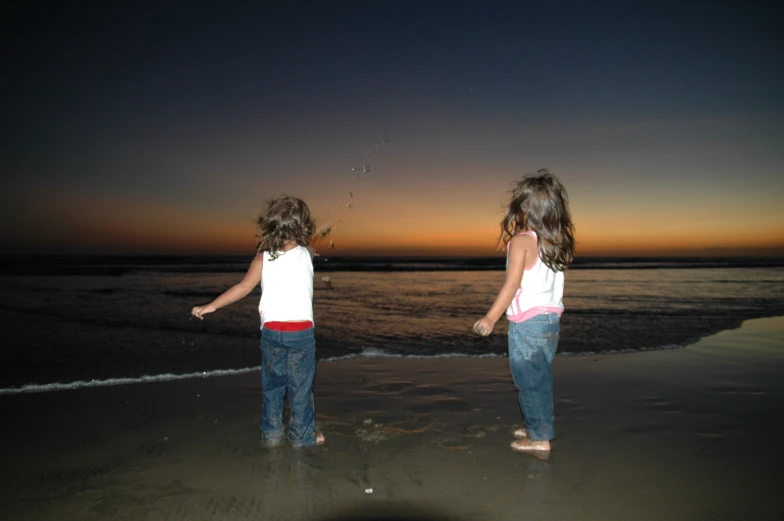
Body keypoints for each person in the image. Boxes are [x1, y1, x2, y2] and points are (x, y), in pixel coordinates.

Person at [191, 195, 324, 448]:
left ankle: (272, 434)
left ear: (272, 226)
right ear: (302, 227)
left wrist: (212, 305)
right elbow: (306, 241)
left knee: (273, 386)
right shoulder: (307, 254)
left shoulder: (262, 258)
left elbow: (243, 288)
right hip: (301, 334)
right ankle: (302, 437)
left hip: (272, 333)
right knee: (300, 388)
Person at [473, 169, 575, 454]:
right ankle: (536, 425)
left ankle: (540, 438)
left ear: (522, 209)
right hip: (550, 322)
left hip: (528, 324)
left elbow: (512, 285)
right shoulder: (556, 243)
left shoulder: (521, 242)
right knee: (540, 376)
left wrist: (490, 318)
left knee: (529, 381)